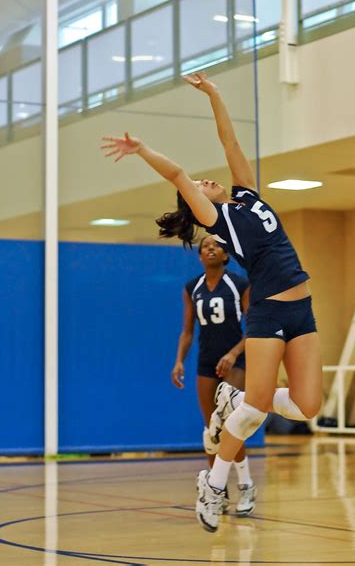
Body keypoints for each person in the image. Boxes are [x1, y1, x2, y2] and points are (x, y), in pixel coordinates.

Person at [101, 71, 322, 533]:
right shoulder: (216, 219)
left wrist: (216, 94)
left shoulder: (246, 196)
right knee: (256, 410)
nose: (206, 181)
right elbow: (179, 174)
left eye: (207, 181)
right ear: (199, 206)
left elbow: (230, 143)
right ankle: (214, 483)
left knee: (307, 407)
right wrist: (142, 151)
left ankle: (234, 397)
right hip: (268, 312)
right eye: (201, 186)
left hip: (302, 308)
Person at [172, 234, 256, 515]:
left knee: (233, 421)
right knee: (212, 429)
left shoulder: (239, 283)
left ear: (225, 254)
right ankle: (216, 492)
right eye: (205, 246)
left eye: (216, 245)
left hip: (236, 360)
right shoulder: (192, 288)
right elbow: (187, 330)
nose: (210, 248)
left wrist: (233, 354)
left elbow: (253, 326)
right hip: (207, 362)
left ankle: (246, 485)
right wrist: (179, 361)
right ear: (200, 256)